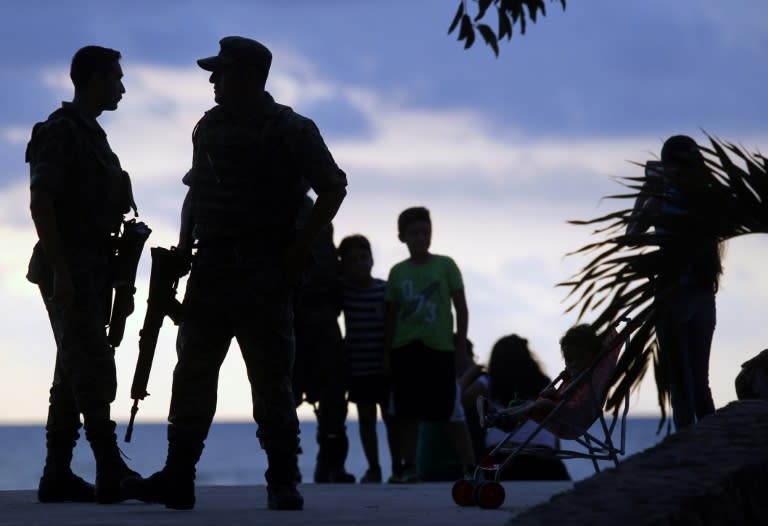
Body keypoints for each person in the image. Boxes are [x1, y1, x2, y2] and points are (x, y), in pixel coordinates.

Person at [124, 36, 347, 511]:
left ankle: (283, 480)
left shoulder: (292, 129)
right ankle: (179, 476)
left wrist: (299, 247)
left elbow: (333, 187)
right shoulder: (208, 127)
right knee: (192, 376)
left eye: (220, 72)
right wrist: (184, 248)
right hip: (210, 271)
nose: (211, 80)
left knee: (271, 381)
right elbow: (196, 193)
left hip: (265, 272)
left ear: (246, 77)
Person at [26, 45, 142, 503]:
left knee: (71, 369)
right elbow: (41, 202)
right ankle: (110, 466)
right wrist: (62, 274)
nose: (122, 86)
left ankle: (57, 474)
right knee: (91, 366)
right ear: (92, 80)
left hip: (93, 268)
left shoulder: (93, 136)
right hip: (69, 268)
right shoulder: (60, 132)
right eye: (115, 78)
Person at [627, 135, 722, 430]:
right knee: (697, 381)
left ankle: (689, 442)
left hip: (674, 294)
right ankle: (711, 445)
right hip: (701, 293)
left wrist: (645, 194)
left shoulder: (666, 198)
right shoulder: (708, 196)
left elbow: (632, 236)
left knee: (681, 382)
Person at [383, 206, 475, 482]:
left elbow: (461, 308)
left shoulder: (445, 265)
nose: (421, 237)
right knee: (408, 413)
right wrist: (386, 354)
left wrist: (460, 347)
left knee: (452, 411)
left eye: (425, 232)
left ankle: (471, 467)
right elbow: (391, 316)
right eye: (414, 233)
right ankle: (409, 467)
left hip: (440, 349)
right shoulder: (397, 272)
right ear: (402, 237)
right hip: (406, 350)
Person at [292, 194, 355, 484]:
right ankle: (286, 462)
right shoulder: (275, 203)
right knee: (285, 390)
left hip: (321, 313)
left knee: (333, 393)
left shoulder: (319, 209)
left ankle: (331, 462)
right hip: (291, 312)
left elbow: (328, 260)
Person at [337, 234, 398, 483]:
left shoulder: (384, 290)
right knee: (366, 420)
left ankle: (398, 467)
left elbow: (393, 326)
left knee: (391, 419)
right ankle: (374, 467)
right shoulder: (343, 291)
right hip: (358, 367)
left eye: (363, 258)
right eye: (352, 261)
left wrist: (389, 358)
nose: (359, 264)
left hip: (383, 367)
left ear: (372, 259)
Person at [481, 334, 570, 481]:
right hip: (542, 457)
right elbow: (553, 422)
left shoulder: (489, 383)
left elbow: (461, 401)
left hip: (502, 456)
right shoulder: (544, 383)